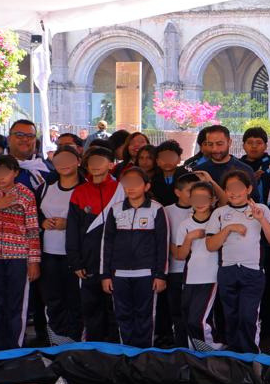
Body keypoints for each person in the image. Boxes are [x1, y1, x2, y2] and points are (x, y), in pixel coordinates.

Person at [205, 171, 270, 353]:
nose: (234, 192)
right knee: (230, 315)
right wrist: (228, 229)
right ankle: (234, 354)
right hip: (227, 271)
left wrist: (261, 219)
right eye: (229, 188)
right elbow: (210, 245)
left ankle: (251, 354)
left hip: (252, 271)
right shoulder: (219, 213)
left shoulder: (261, 209)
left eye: (238, 187)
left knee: (248, 315)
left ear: (249, 189)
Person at [101, 167, 169, 348]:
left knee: (145, 315)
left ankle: (144, 354)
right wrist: (105, 275)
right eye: (126, 183)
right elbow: (106, 244)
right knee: (122, 315)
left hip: (147, 274)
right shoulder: (115, 209)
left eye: (136, 183)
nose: (130, 187)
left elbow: (162, 244)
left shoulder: (156, 209)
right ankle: (127, 353)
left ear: (146, 186)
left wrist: (161, 275)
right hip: (119, 274)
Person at [0, 155, 41, 349]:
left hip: (19, 256)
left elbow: (32, 230)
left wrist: (34, 261)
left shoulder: (26, 195)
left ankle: (16, 347)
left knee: (17, 304)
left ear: (15, 173)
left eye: (5, 172)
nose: (0, 177)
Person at [67, 146, 120, 342]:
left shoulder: (122, 189)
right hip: (88, 261)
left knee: (115, 307)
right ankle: (93, 349)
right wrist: (75, 261)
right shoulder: (79, 192)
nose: (95, 165)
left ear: (111, 165)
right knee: (91, 308)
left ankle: (115, 350)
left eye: (100, 161)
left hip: (116, 261)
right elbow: (72, 230)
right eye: (91, 162)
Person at [38, 146, 84, 339]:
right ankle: (57, 339)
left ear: (79, 161)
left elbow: (96, 220)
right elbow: (33, 214)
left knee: (76, 299)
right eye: (59, 160)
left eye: (68, 159)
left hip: (76, 255)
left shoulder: (86, 188)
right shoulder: (45, 187)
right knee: (53, 298)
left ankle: (77, 339)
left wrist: (70, 224)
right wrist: (42, 221)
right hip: (49, 254)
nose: (63, 164)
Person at [172, 181, 219, 348]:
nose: (200, 202)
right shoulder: (185, 225)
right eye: (196, 198)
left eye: (204, 198)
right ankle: (195, 353)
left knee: (199, 320)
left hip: (211, 276)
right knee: (188, 318)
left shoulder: (218, 219)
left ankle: (211, 351)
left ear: (213, 200)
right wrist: (189, 237)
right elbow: (180, 255)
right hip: (191, 277)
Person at [160, 171, 201, 346]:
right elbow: (164, 238)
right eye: (190, 191)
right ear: (177, 192)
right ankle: (181, 346)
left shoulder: (204, 209)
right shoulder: (166, 211)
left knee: (198, 313)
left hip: (200, 270)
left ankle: (199, 346)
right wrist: (177, 250)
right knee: (177, 311)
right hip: (176, 269)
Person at [0, 118, 49, 189]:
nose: (25, 139)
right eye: (19, 135)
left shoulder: (46, 167)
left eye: (30, 136)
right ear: (9, 139)